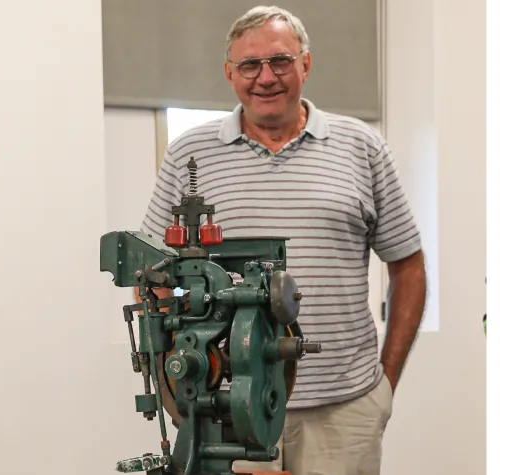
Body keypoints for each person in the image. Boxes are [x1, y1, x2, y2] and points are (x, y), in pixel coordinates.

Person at [137, 5, 427, 475]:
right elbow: (150, 275)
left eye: (280, 61)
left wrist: (384, 385)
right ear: (229, 73)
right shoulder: (189, 153)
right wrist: (180, 386)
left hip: (343, 411)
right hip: (227, 410)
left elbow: (408, 266)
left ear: (306, 64)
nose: (265, 77)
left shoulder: (361, 145)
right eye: (249, 65)